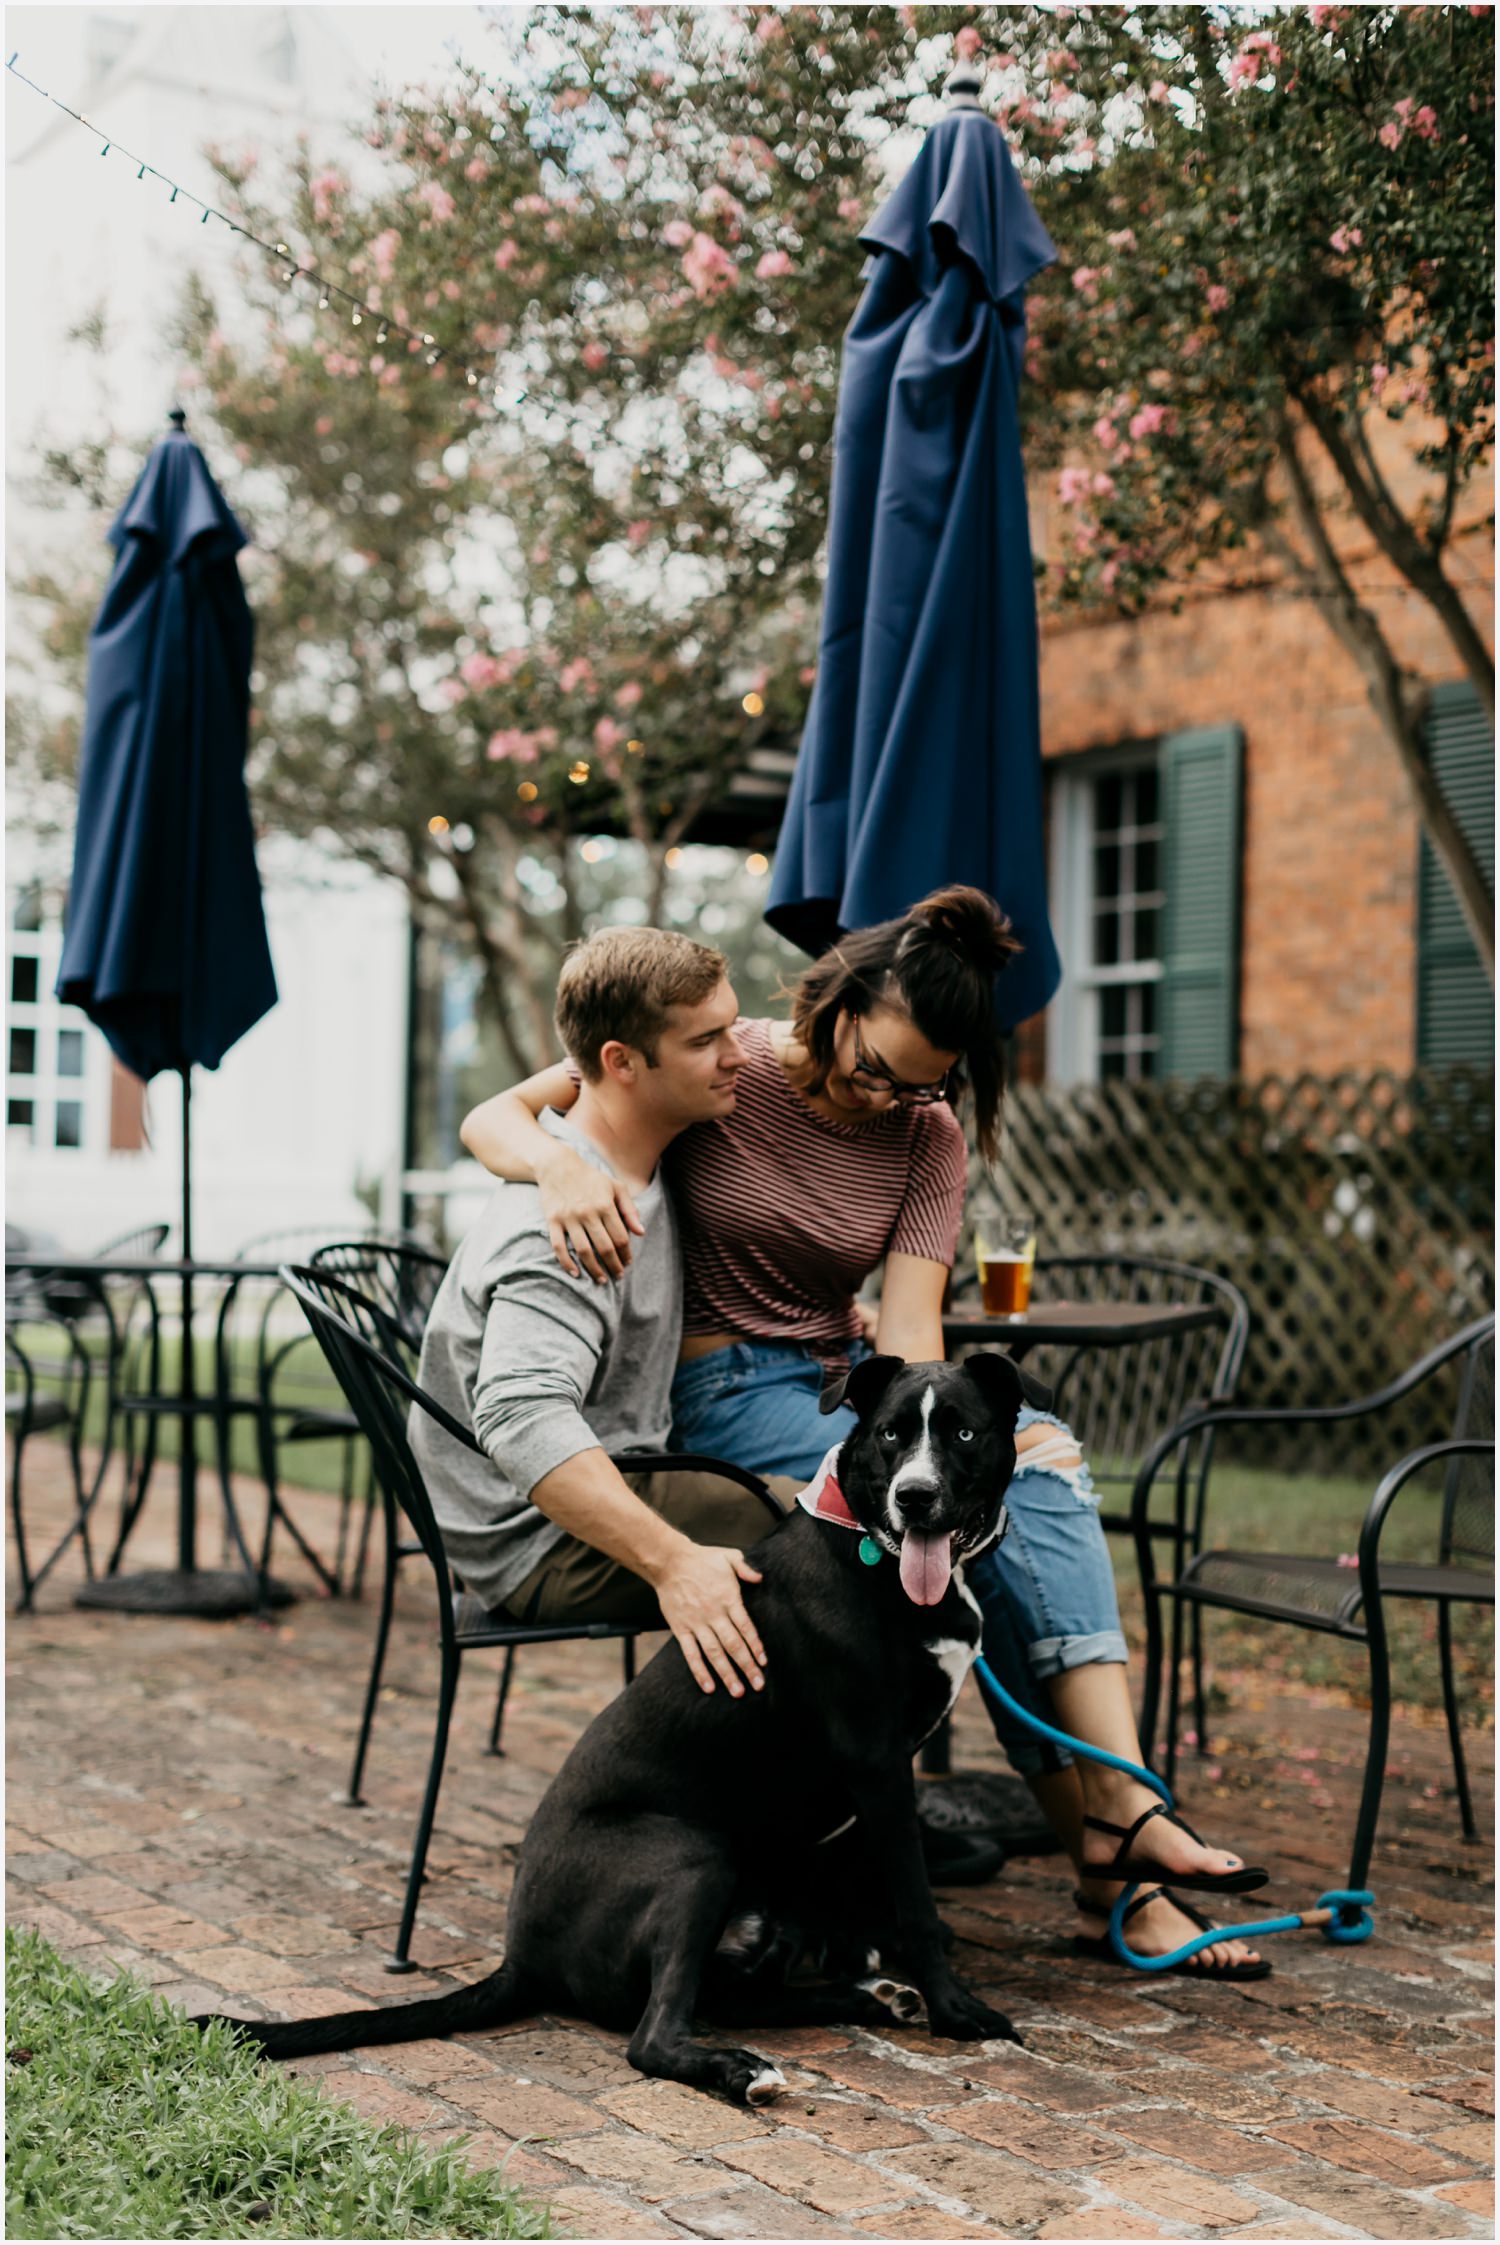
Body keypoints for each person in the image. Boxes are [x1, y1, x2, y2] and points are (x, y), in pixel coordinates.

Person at [462, 887, 1268, 1975]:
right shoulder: (721, 1061)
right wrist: (561, 1166)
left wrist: (982, 1435)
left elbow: (910, 1326)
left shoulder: (925, 1140)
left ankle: (1116, 1816)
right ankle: (1116, 1855)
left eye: (923, 1084)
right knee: (989, 1538)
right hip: (727, 1395)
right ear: (837, 1000)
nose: (883, 1095)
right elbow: (501, 1116)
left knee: (1037, 1487)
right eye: (874, 1064)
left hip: (855, 1393)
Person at [413, 925, 771, 1701]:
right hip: (539, 1542)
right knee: (841, 1538)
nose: (737, 1055)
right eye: (707, 1040)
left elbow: (501, 1109)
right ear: (622, 1063)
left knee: (847, 1510)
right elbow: (519, 1415)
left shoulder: (598, 1140)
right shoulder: (568, 1229)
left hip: (613, 1479)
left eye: (731, 1028)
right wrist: (676, 1564)